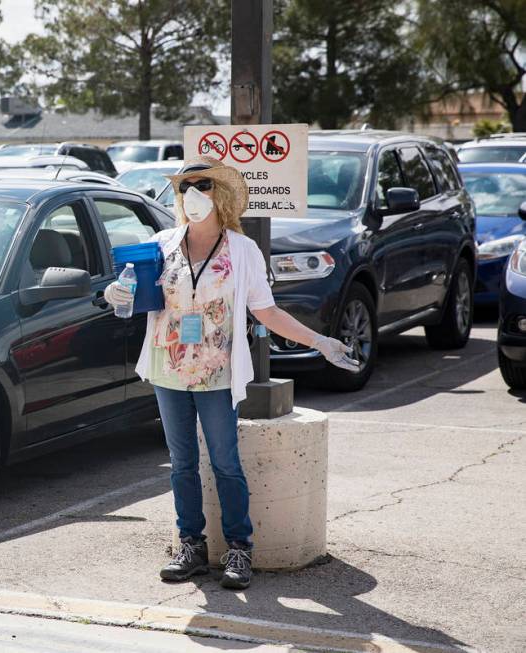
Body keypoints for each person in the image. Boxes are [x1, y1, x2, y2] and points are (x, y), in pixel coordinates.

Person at [104, 157, 358, 590]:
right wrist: (117, 295)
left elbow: (267, 311)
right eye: (186, 188)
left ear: (219, 196)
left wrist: (320, 342)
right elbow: (135, 300)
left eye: (201, 187)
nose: (191, 195)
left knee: (225, 461)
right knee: (181, 463)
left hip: (217, 371)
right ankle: (191, 545)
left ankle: (239, 548)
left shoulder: (242, 250)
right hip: (169, 368)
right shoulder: (163, 243)